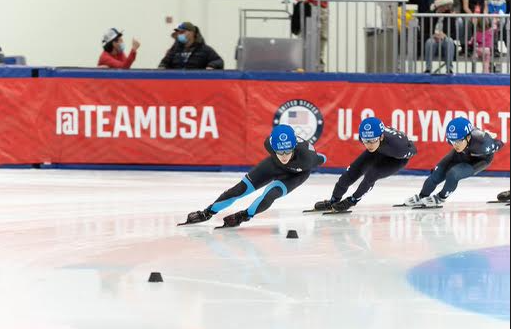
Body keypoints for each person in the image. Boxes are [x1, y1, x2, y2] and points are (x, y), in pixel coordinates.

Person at [182, 125, 326, 228]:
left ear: (294, 147)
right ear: (272, 148)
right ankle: (207, 213)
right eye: (279, 152)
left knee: (270, 194)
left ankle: (244, 216)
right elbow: (279, 154)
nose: (283, 156)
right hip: (274, 166)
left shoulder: (308, 158)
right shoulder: (268, 144)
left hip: (296, 175)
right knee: (239, 189)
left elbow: (321, 158)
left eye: (287, 152)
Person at [313, 117, 417, 213]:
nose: (369, 145)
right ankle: (333, 200)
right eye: (365, 141)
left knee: (372, 175)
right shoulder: (366, 137)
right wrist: (373, 143)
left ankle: (353, 200)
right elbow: (371, 144)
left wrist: (408, 146)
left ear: (381, 137)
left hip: (396, 159)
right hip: (379, 150)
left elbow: (414, 150)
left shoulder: (399, 147)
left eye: (372, 141)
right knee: (350, 173)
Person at [404, 117, 504, 208]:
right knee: (437, 172)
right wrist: (458, 142)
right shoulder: (454, 139)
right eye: (452, 141)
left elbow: (500, 143)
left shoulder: (483, 143)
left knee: (453, 174)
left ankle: (441, 197)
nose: (455, 144)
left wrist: (491, 139)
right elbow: (456, 143)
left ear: (468, 137)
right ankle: (422, 196)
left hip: (479, 160)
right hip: (462, 154)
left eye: (459, 141)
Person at [159, 22, 224, 70]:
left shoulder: (205, 49)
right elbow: (164, 62)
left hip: (196, 83)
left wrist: (211, 66)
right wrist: (162, 67)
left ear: (192, 33)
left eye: (182, 32)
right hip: (177, 82)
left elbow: (219, 61)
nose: (179, 35)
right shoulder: (174, 50)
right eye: (178, 32)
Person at [424, 0, 458, 74]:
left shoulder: (450, 16)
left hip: (445, 38)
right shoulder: (429, 15)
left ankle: (449, 69)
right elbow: (424, 32)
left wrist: (445, 35)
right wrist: (433, 35)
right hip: (433, 37)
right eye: (445, 6)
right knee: (430, 42)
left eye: (447, 6)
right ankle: (428, 68)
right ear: (439, 6)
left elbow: (454, 34)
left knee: (449, 41)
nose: (446, 8)